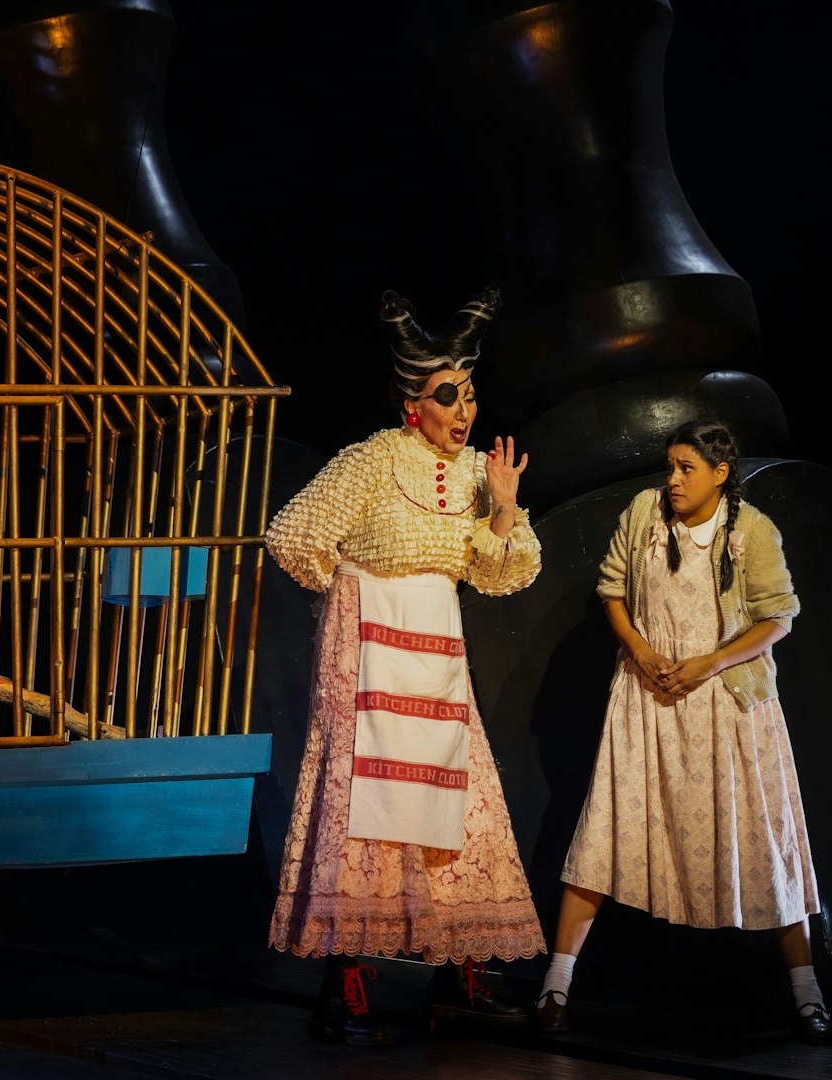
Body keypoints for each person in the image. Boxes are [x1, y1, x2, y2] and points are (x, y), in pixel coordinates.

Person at [264, 287, 546, 1046]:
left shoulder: (485, 475)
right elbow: (293, 536)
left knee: (460, 808)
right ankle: (345, 984)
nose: (463, 411)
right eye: (448, 396)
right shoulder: (369, 462)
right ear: (410, 403)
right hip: (370, 661)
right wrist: (351, 602)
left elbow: (505, 572)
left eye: (470, 396)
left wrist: (503, 509)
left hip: (438, 658)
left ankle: (461, 975)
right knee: (364, 817)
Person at [534, 419, 832, 1045]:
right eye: (669, 466)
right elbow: (613, 590)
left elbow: (780, 614)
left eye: (686, 469)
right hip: (647, 700)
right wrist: (642, 653)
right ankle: (555, 984)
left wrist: (710, 662)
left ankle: (807, 994)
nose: (671, 480)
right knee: (605, 834)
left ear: (721, 473)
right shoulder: (645, 514)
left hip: (726, 705)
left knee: (762, 840)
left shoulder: (750, 531)